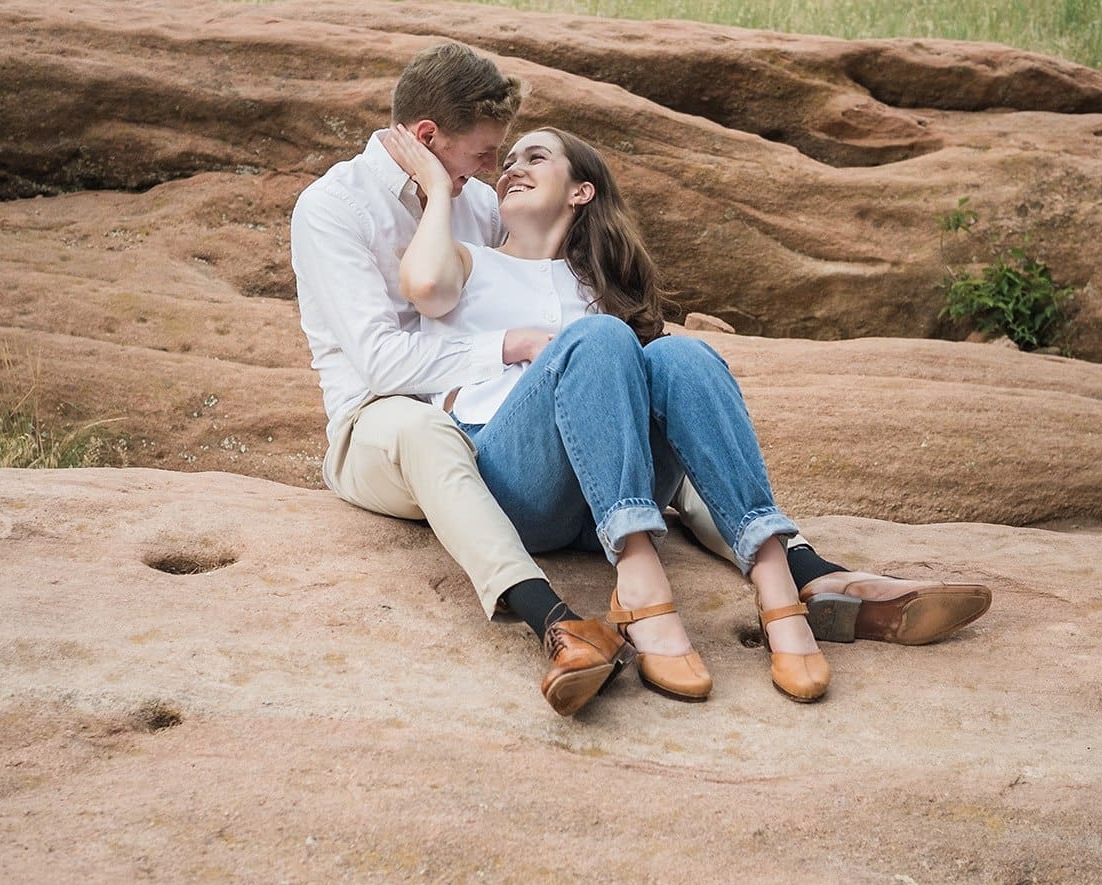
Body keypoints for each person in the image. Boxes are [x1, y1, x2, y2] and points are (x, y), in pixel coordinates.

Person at [386, 123, 993, 701]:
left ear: (581, 191)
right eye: (508, 160)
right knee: (598, 340)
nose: (512, 167)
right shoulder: (471, 262)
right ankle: (643, 579)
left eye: (535, 157)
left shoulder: (603, 290)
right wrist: (439, 188)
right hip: (521, 482)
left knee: (682, 354)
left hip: (609, 494)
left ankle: (780, 578)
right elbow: (426, 285)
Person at [290, 43, 637, 716]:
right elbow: (383, 363)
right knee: (423, 427)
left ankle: (785, 556)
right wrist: (506, 346)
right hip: (375, 426)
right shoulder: (334, 208)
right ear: (427, 138)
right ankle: (557, 624)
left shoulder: (475, 202)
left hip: (491, 429)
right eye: (483, 155)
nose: (495, 171)